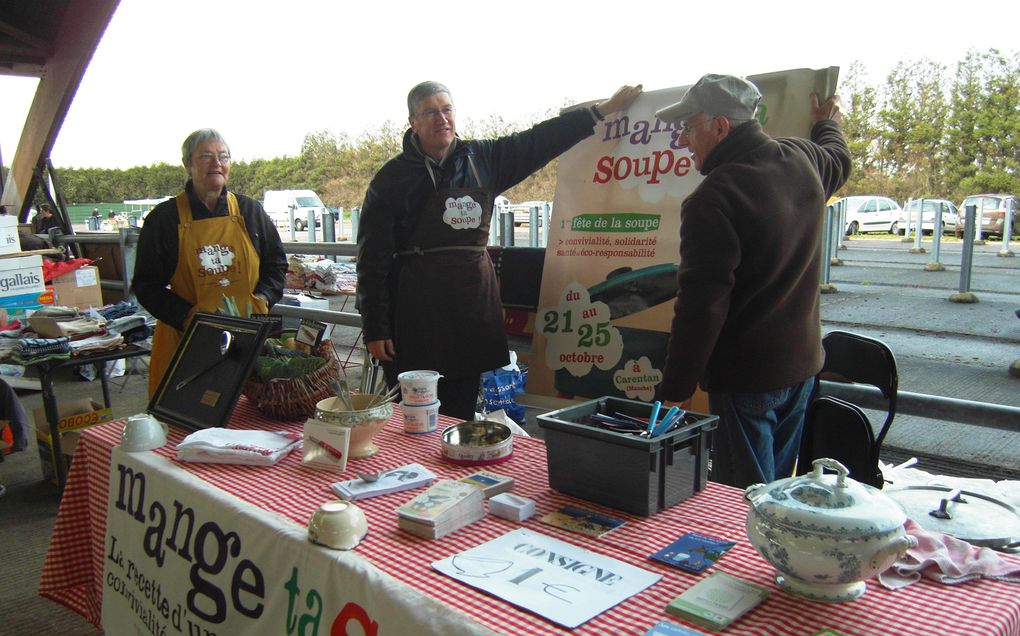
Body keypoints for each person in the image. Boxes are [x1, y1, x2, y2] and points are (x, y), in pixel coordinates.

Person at [357, 80, 642, 420]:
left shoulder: (485, 158)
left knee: (461, 408)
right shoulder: (390, 179)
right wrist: (376, 327)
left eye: (447, 109)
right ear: (413, 122)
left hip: (470, 303)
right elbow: (371, 260)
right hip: (416, 310)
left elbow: (540, 140)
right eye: (430, 112)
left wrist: (601, 111)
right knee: (416, 413)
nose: (442, 118)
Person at [655, 74, 851, 489]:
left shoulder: (714, 198)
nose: (683, 139)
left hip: (748, 379)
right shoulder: (803, 159)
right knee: (777, 492)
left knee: (744, 500)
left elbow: (700, 308)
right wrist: (826, 123)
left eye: (689, 127)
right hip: (801, 369)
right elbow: (838, 157)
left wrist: (674, 390)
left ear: (721, 126)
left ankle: (750, 556)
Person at [134, 128, 287, 396]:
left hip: (248, 337)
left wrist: (263, 297)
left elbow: (276, 265)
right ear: (188, 164)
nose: (217, 163)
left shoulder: (250, 211)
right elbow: (146, 286)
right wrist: (185, 315)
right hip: (186, 340)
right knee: (187, 416)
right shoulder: (164, 219)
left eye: (223, 156)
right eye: (206, 155)